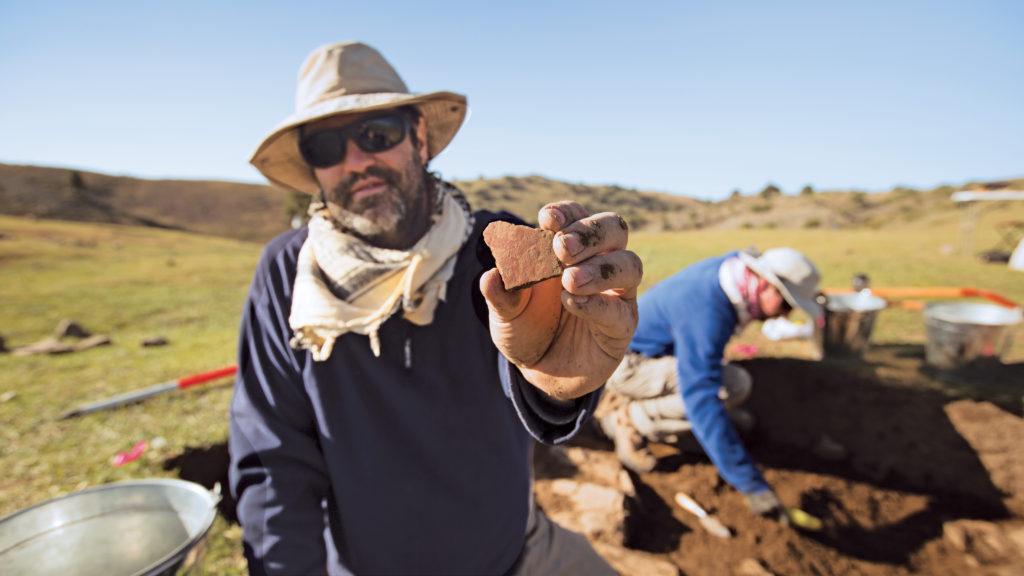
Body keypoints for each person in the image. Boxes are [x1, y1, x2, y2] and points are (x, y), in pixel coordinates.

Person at [227, 41, 642, 576]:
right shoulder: (287, 275)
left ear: (419, 138)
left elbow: (540, 369)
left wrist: (555, 386)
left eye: (377, 134)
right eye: (327, 147)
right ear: (314, 169)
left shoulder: (494, 249)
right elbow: (273, 459)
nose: (357, 161)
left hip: (519, 555)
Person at [599, 247, 822, 521]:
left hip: (652, 353)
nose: (784, 315)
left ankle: (657, 412)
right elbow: (701, 397)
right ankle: (629, 418)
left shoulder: (731, 274)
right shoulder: (709, 309)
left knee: (735, 385)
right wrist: (750, 483)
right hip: (624, 364)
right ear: (766, 284)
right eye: (786, 304)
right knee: (718, 393)